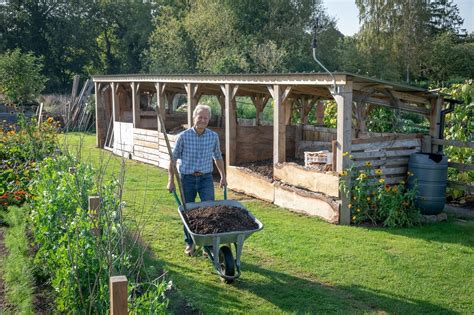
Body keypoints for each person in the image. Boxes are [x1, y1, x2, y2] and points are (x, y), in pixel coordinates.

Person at [167, 104, 226, 255]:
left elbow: (218, 157)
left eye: (206, 117)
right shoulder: (183, 137)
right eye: (200, 117)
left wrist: (223, 177)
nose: (203, 120)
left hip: (206, 179)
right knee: (189, 212)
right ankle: (190, 242)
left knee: (210, 211)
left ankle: (208, 245)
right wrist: (171, 180)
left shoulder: (213, 136)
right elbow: (173, 160)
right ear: (194, 118)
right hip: (187, 179)